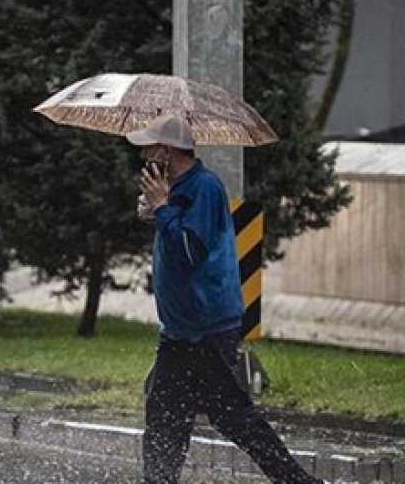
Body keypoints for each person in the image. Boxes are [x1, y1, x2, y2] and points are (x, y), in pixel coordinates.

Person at [127, 114, 320, 484]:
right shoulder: (178, 185)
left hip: (206, 329)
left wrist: (164, 208)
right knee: (166, 416)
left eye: (149, 146)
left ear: (166, 151)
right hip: (182, 330)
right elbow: (175, 235)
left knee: (234, 417)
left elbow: (189, 251)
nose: (142, 154)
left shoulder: (205, 188)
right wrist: (156, 210)